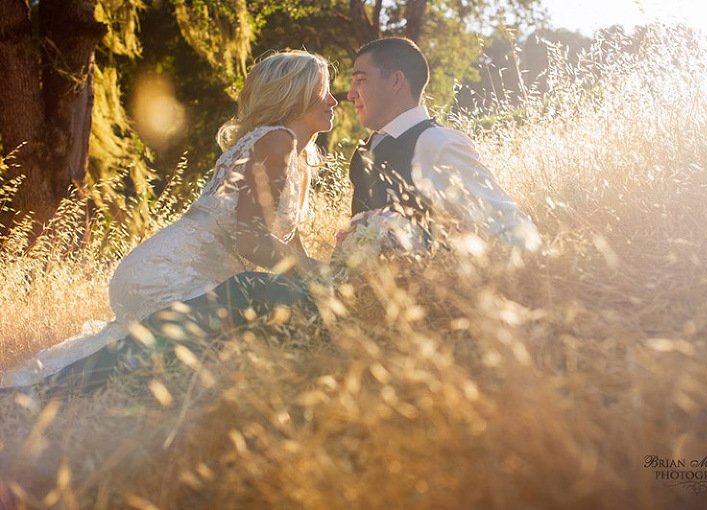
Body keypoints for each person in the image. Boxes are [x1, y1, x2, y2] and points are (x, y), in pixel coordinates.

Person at [1, 49, 337, 389]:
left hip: (203, 279)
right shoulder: (276, 140)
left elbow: (286, 241)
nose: (334, 101)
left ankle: (40, 387)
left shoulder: (300, 157)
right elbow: (250, 240)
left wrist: (327, 276)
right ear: (295, 94)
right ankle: (47, 391)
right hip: (170, 272)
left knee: (170, 359)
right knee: (182, 360)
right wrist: (319, 276)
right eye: (324, 90)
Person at [346, 37, 541, 251]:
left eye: (361, 80)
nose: (350, 93)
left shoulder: (437, 143)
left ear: (395, 81)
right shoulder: (363, 150)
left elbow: (508, 227)